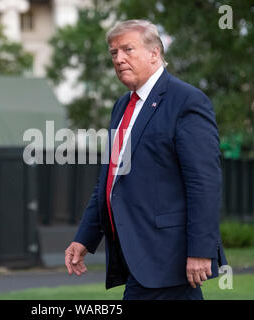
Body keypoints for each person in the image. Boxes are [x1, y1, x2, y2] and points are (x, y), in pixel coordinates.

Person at [64, 19, 227, 300]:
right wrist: (85, 238)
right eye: (114, 53)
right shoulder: (121, 106)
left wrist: (201, 251)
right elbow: (109, 182)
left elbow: (204, 183)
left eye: (128, 49)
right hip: (138, 256)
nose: (119, 58)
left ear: (155, 53)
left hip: (169, 256)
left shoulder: (186, 101)